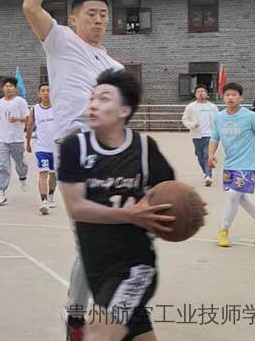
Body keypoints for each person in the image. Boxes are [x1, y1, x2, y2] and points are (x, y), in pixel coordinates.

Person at [22, 0, 124, 339]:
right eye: (92, 14)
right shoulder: (61, 40)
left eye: (104, 15)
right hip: (75, 148)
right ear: (74, 18)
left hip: (108, 152)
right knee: (91, 236)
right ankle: (79, 318)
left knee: (104, 238)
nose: (98, 20)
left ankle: (83, 315)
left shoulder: (114, 66)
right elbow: (30, 6)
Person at [58, 68, 178, 341]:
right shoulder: (74, 148)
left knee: (98, 332)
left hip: (134, 268)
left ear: (124, 110)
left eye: (104, 99)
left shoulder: (146, 149)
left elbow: (170, 199)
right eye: (92, 98)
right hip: (96, 268)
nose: (93, 104)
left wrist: (183, 215)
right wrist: (129, 214)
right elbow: (76, 208)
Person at [208, 83, 255, 248]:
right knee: (242, 198)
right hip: (230, 164)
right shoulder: (219, 117)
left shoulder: (251, 116)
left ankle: (223, 231)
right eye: (227, 95)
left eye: (234, 95)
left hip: (247, 164)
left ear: (241, 98)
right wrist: (210, 155)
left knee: (233, 195)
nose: (230, 98)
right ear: (223, 97)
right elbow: (214, 138)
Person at [0, 78, 30, 206]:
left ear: (15, 88)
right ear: (3, 89)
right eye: (6, 86)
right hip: (2, 139)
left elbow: (28, 118)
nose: (8, 88)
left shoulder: (20, 101)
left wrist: (17, 119)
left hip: (17, 138)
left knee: (20, 163)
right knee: (3, 165)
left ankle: (23, 177)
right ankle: (1, 192)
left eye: (11, 86)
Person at [26, 82, 57, 214]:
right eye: (43, 91)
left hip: (56, 148)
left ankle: (51, 195)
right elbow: (30, 126)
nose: (45, 93)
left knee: (53, 174)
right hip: (41, 147)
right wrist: (27, 142)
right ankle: (43, 201)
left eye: (48, 90)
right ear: (39, 93)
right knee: (43, 173)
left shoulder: (57, 108)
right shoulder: (35, 109)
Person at [181, 85, 219, 187]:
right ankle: (206, 172)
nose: (201, 93)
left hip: (210, 135)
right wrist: (192, 125)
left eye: (203, 91)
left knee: (207, 155)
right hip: (196, 135)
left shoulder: (212, 107)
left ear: (207, 94)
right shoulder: (191, 107)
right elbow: (185, 119)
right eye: (198, 91)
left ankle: (208, 176)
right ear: (195, 94)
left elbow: (218, 120)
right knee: (200, 156)